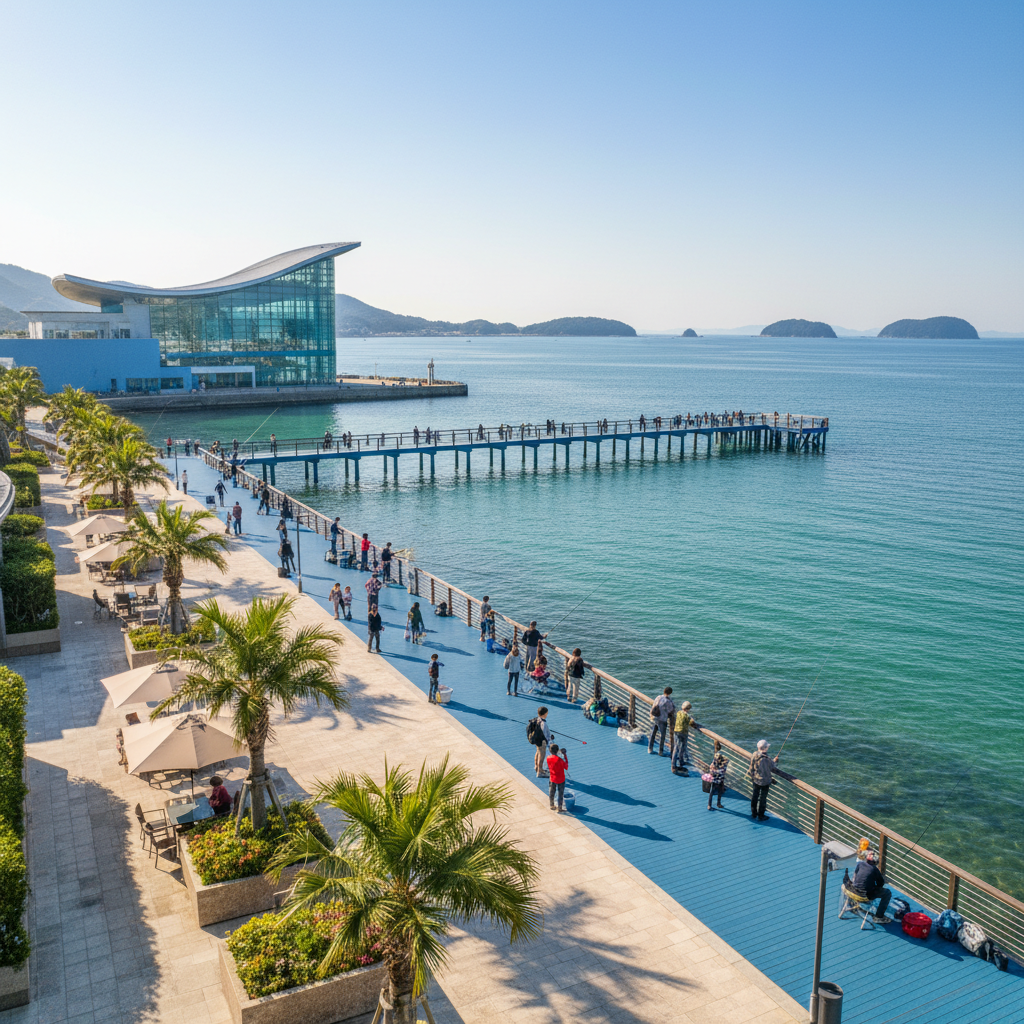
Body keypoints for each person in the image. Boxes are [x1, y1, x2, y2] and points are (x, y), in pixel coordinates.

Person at [849, 850, 893, 922]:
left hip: (853, 891)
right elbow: (881, 883)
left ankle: (851, 902)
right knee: (887, 893)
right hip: (864, 896)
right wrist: (873, 886)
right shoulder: (874, 869)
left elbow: (855, 876)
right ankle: (878, 917)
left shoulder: (860, 864)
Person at [748, 740, 779, 821]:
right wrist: (775, 761)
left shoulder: (754, 754)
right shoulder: (766, 759)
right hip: (764, 781)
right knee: (763, 798)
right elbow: (772, 767)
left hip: (755, 779)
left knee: (755, 796)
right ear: (766, 748)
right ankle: (761, 815)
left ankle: (754, 813)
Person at [671, 701, 698, 775]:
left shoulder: (678, 712)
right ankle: (679, 762)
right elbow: (691, 722)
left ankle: (675, 763)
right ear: (688, 709)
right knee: (681, 747)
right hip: (683, 732)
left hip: (676, 731)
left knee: (676, 747)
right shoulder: (687, 716)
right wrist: (692, 719)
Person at [648, 687, 675, 756]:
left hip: (655, 717)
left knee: (653, 733)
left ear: (664, 691)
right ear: (670, 693)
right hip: (662, 719)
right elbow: (670, 710)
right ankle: (660, 751)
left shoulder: (658, 697)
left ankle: (650, 748)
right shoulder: (668, 701)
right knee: (662, 735)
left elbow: (654, 705)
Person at [547, 743, 569, 813]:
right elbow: (566, 767)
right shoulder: (560, 760)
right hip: (560, 779)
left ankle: (552, 805)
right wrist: (565, 755)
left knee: (552, 792)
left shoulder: (548, 758)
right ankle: (560, 808)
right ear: (557, 750)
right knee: (560, 794)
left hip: (552, 777)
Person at [707, 741, 728, 810]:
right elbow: (723, 764)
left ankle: (710, 804)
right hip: (719, 776)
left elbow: (713, 765)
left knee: (712, 790)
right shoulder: (720, 756)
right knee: (719, 790)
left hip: (715, 775)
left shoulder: (715, 755)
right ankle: (718, 803)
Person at [531, 707, 552, 776]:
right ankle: (540, 771)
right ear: (545, 714)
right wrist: (548, 740)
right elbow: (543, 733)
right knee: (542, 755)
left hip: (536, 739)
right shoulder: (543, 723)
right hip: (542, 741)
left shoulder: (536, 719)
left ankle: (536, 767)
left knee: (538, 752)